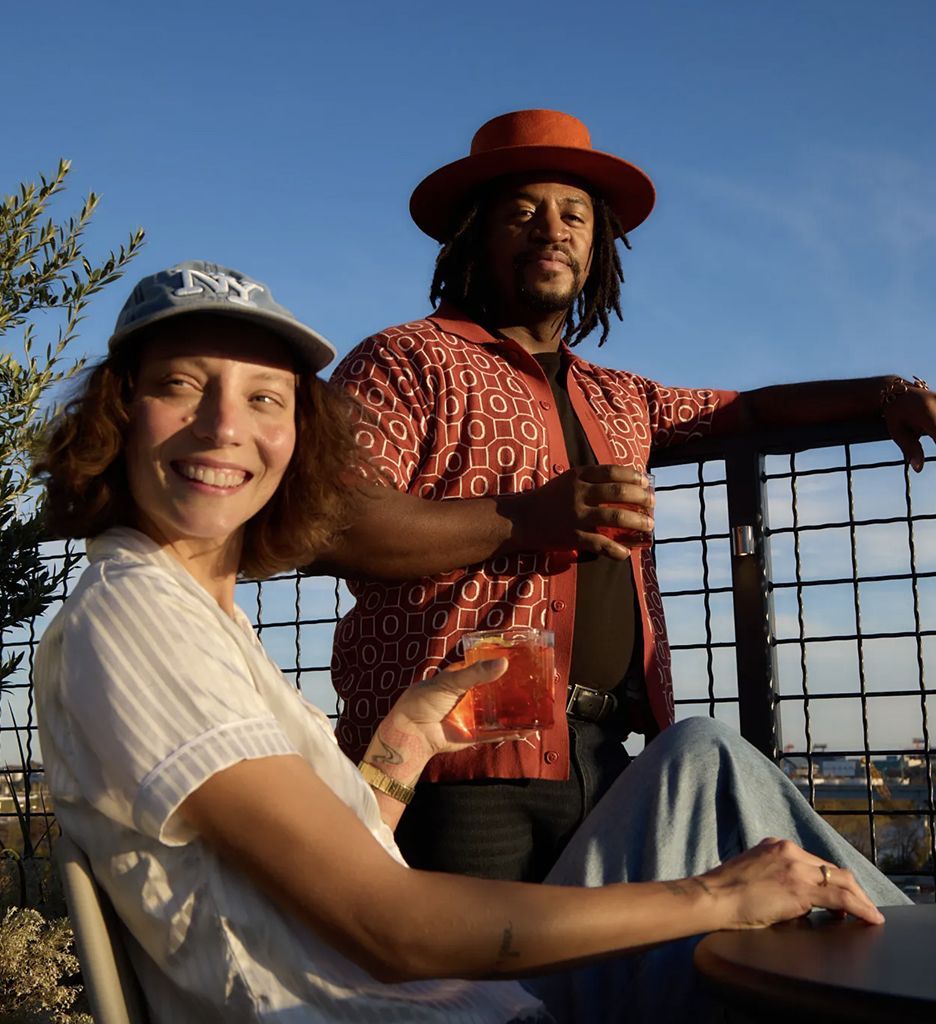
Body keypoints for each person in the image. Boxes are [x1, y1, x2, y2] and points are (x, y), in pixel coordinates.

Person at [35, 259, 909, 1024]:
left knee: (703, 764)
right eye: (180, 384)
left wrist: (404, 743)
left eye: (264, 397)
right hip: (416, 1004)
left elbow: (319, 863)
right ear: (117, 415)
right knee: (723, 803)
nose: (225, 426)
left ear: (301, 435)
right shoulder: (134, 618)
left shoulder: (197, 615)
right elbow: (388, 928)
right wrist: (716, 895)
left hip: (454, 989)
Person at [318, 108, 936, 882]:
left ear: (597, 245)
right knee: (479, 997)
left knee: (616, 983)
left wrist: (886, 393)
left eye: (574, 214)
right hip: (453, 754)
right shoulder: (403, 359)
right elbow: (338, 521)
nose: (553, 230)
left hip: (608, 753)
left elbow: (744, 411)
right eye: (523, 213)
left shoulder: (620, 396)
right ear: (474, 234)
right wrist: (534, 515)